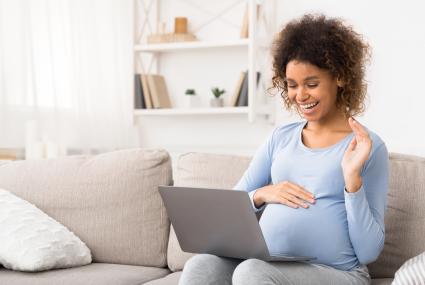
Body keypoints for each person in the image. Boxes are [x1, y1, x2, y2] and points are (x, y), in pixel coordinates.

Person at [179, 14, 388, 285]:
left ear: (339, 77)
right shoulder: (280, 137)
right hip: (271, 265)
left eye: (311, 84)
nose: (300, 95)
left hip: (340, 273)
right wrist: (262, 194)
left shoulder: (367, 147)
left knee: (251, 272)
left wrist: (352, 182)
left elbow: (368, 250)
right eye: (292, 85)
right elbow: (230, 207)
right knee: (201, 266)